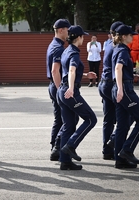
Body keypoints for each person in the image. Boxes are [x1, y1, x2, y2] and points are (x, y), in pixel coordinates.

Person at [57, 25, 97, 170]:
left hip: (61, 91)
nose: (83, 38)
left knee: (69, 125)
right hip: (69, 91)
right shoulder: (74, 53)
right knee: (91, 119)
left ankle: (65, 161)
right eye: (82, 36)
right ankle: (71, 145)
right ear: (78, 37)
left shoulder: (66, 50)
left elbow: (68, 71)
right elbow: (72, 70)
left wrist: (86, 75)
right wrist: (72, 88)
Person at [112, 24, 139, 169]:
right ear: (123, 36)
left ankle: (120, 160)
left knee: (122, 125)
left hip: (121, 87)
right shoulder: (122, 50)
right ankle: (127, 150)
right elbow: (117, 68)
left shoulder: (118, 49)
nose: (132, 36)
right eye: (130, 35)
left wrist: (131, 75)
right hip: (125, 89)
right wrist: (121, 89)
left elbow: (119, 69)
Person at [46, 19, 71, 161]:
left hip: (53, 86)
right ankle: (57, 147)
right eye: (67, 30)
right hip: (57, 86)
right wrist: (61, 89)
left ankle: (55, 148)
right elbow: (55, 71)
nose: (69, 33)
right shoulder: (58, 48)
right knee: (68, 119)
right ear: (61, 30)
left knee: (59, 119)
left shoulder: (54, 44)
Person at [98, 21, 124, 160]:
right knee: (125, 116)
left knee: (108, 119)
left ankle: (106, 150)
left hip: (103, 83)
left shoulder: (108, 44)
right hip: (111, 84)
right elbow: (118, 68)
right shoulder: (117, 46)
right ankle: (114, 142)